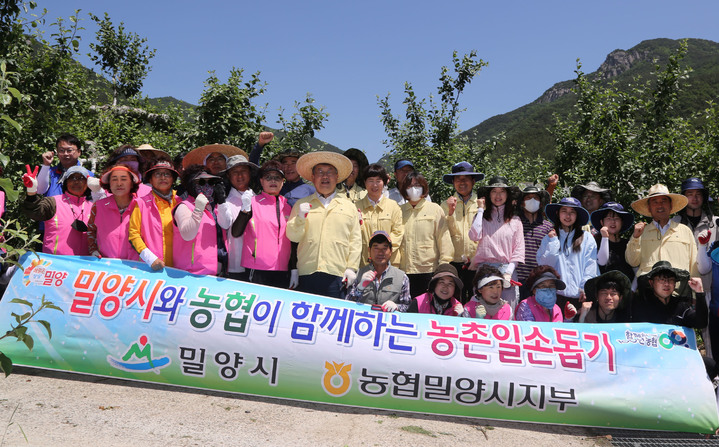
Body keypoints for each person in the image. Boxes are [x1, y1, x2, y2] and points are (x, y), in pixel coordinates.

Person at [286, 151, 361, 299]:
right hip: (307, 273)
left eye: (330, 172)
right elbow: (293, 236)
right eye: (320, 172)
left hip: (337, 274)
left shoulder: (349, 206)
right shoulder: (302, 204)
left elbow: (355, 241)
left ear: (337, 177)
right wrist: (300, 217)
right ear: (313, 177)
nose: (325, 176)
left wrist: (351, 268)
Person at [231, 160, 297, 288]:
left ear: (283, 181)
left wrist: (294, 268)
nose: (273, 181)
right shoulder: (253, 202)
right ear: (261, 181)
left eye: (277, 178)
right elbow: (236, 232)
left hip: (282, 270)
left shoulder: (288, 207)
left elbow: (293, 241)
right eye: (268, 177)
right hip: (257, 268)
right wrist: (245, 209)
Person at [469, 176, 525, 310]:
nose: (498, 195)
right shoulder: (481, 218)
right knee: (481, 311)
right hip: (485, 270)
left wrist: (508, 272)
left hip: (507, 271)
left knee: (507, 310)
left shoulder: (515, 221)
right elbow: (474, 236)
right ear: (488, 195)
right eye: (494, 191)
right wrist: (481, 210)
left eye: (502, 191)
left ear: (508, 195)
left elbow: (518, 250)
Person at [537, 197, 598, 312]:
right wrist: (553, 242)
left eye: (572, 212)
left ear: (577, 215)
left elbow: (590, 266)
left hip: (579, 297)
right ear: (558, 213)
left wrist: (585, 288)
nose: (568, 216)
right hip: (554, 297)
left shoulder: (587, 238)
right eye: (564, 211)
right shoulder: (548, 238)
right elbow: (545, 266)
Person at [626, 183, 699, 280]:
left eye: (664, 201)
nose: (660, 205)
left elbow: (694, 263)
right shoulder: (641, 232)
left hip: (679, 290)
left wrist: (695, 287)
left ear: (671, 205)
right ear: (649, 208)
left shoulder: (684, 230)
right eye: (655, 202)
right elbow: (632, 261)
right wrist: (635, 238)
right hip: (650, 290)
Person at [399, 171, 453, 298]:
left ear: (424, 188)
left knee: (427, 308)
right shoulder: (399, 211)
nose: (413, 189)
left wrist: (443, 267)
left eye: (417, 185)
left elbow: (443, 238)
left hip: (428, 271)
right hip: (403, 271)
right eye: (409, 186)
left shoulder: (435, 209)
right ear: (404, 189)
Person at [21, 165, 92, 255]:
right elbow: (34, 211)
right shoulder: (53, 202)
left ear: (87, 183)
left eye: (81, 178)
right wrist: (31, 191)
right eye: (72, 178)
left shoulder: (93, 207)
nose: (76, 181)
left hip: (84, 265)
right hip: (56, 265)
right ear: (66, 182)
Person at [441, 161, 485, 303]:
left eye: (465, 179)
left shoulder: (482, 203)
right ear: (453, 182)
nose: (462, 182)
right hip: (454, 262)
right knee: (454, 300)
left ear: (473, 181)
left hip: (477, 262)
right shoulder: (444, 204)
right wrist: (450, 212)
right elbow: (442, 231)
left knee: (477, 299)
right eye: (458, 179)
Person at [128, 160, 180, 270]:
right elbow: (133, 234)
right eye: (157, 174)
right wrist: (150, 258)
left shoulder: (181, 202)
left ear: (173, 179)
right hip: (149, 267)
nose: (163, 177)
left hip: (179, 267)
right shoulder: (141, 203)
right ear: (150, 179)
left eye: (167, 174)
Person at [172, 165, 224, 275]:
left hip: (213, 273)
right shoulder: (184, 206)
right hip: (190, 273)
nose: (206, 187)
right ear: (191, 185)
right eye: (201, 182)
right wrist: (198, 209)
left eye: (210, 183)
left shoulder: (213, 208)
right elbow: (187, 234)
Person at [216, 154, 258, 281]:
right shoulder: (226, 202)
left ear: (250, 173)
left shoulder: (259, 199)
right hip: (236, 265)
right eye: (235, 172)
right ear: (228, 176)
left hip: (259, 264)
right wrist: (221, 201)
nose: (240, 176)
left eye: (243, 171)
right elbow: (224, 224)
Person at [346, 231, 411, 312]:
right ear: (369, 250)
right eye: (376, 248)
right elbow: (347, 304)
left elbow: (408, 307)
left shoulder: (402, 277)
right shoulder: (358, 274)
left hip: (387, 322)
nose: (380, 252)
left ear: (390, 251)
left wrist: (397, 307)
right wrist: (359, 288)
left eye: (384, 248)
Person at [355, 163, 404, 267]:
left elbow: (398, 232)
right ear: (365, 182)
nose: (375, 185)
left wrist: (383, 251)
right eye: (371, 181)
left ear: (384, 183)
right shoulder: (355, 207)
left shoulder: (394, 206)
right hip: (364, 263)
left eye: (378, 181)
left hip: (390, 264)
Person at [87, 165, 140, 260]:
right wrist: (93, 250)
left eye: (124, 179)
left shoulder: (141, 206)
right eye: (114, 179)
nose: (119, 183)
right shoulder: (98, 206)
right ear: (109, 184)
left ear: (132, 183)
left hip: (135, 267)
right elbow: (91, 231)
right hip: (106, 267)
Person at [632, 261, 707, 328]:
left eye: (671, 280)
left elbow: (701, 323)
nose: (667, 284)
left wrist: (699, 292)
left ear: (675, 284)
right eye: (661, 280)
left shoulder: (680, 306)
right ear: (651, 283)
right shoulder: (641, 306)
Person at [516, 185, 554, 298]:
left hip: (539, 280)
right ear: (522, 203)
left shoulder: (548, 227)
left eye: (536, 198)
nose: (532, 201)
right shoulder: (515, 222)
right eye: (528, 198)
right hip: (517, 279)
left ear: (541, 203)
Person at [590, 202, 635, 283]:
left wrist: (632, 290)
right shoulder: (595, 243)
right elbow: (602, 262)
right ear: (602, 222)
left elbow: (637, 269)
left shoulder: (628, 244)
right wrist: (605, 237)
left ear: (622, 222)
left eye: (617, 218)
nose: (613, 222)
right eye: (609, 218)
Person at [182, 144, 248, 176]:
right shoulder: (198, 184)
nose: (216, 162)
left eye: (220, 159)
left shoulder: (235, 182)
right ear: (205, 164)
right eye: (211, 160)